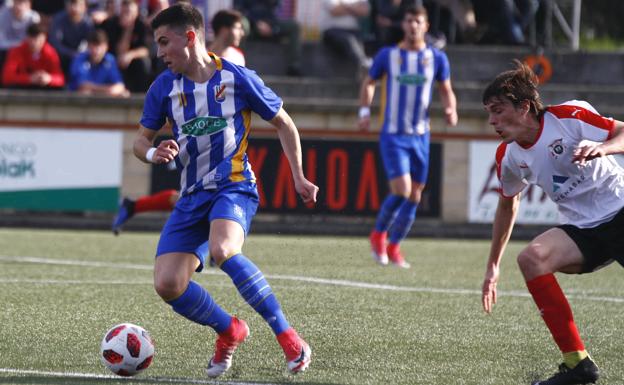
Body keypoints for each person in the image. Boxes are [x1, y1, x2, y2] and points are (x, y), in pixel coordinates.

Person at [133, 3, 317, 377]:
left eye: (164, 42)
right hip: (191, 197)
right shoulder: (163, 87)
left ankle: (289, 338)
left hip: (234, 186)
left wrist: (298, 175)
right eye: (156, 44)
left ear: (190, 37)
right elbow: (140, 140)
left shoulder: (236, 77)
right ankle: (229, 330)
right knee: (168, 284)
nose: (159, 53)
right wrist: (153, 151)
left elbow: (284, 123)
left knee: (223, 249)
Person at [481, 60, 624, 385]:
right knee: (532, 259)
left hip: (621, 208)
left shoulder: (568, 116)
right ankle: (578, 366)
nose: (492, 120)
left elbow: (622, 132)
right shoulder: (508, 156)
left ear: (525, 107)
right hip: (584, 229)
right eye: (489, 112)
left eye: (498, 110)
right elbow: (507, 205)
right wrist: (493, 266)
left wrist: (603, 148)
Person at [111, 9, 247, 235]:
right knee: (191, 196)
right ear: (224, 30)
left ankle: (134, 206)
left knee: (199, 196)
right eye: (237, 26)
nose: (241, 31)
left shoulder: (236, 60)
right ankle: (213, 244)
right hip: (195, 139)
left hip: (224, 140)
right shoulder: (193, 56)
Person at [359, 5, 457, 268]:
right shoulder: (388, 55)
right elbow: (369, 82)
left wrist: (451, 109)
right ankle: (378, 235)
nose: (413, 26)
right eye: (410, 21)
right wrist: (364, 110)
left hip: (420, 136)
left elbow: (446, 89)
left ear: (426, 26)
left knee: (415, 194)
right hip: (393, 134)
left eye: (418, 22)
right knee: (402, 190)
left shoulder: (436, 58)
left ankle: (394, 246)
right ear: (404, 25)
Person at [234, 0, 302, 76]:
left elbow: (274, 11)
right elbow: (239, 11)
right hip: (251, 27)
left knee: (293, 26)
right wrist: (257, 23)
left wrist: (271, 27)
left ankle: (293, 67)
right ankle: (237, 66)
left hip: (271, 26)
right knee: (241, 25)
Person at [100, 0, 151, 92]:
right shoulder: (111, 24)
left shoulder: (140, 25)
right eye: (125, 12)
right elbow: (119, 51)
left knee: (143, 63)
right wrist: (126, 30)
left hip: (132, 60)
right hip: (114, 59)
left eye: (130, 12)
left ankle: (141, 95)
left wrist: (130, 55)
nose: (127, 15)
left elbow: (145, 50)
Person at [2, 23, 65, 89]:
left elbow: (60, 79)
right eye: (32, 39)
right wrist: (29, 78)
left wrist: (49, 79)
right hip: (23, 87)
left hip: (44, 87)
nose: (35, 43)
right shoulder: (16, 51)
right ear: (27, 38)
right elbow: (7, 77)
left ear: (45, 38)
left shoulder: (50, 53)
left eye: (39, 40)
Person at [69, 28, 130, 97]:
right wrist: (108, 90)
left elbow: (119, 86)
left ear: (106, 46)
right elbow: (83, 86)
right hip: (79, 103)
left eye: (99, 46)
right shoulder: (79, 59)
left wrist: (108, 91)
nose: (96, 51)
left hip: (104, 100)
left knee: (125, 94)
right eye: (93, 46)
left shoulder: (110, 60)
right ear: (88, 46)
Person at [320, 0, 371, 78]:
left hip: (354, 31)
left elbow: (364, 11)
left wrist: (344, 6)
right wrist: (355, 8)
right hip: (332, 30)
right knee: (349, 40)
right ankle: (363, 64)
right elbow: (335, 11)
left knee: (363, 42)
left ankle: (364, 67)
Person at [48, 0, 94, 76]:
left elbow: (90, 43)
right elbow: (55, 42)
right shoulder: (58, 19)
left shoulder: (88, 23)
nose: (74, 8)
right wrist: (71, 53)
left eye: (78, 5)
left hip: (81, 56)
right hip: (62, 55)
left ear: (85, 7)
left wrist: (80, 54)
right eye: (72, 4)